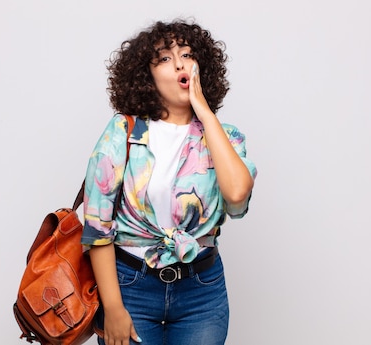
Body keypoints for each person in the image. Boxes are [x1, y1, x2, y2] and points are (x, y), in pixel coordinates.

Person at [81, 18, 257, 345]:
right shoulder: (124, 132)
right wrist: (113, 307)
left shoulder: (225, 137)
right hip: (130, 287)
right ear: (146, 76)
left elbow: (236, 196)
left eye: (187, 55)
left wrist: (203, 110)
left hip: (201, 293)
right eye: (164, 58)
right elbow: (97, 227)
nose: (178, 63)